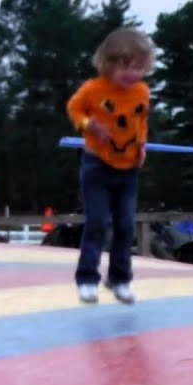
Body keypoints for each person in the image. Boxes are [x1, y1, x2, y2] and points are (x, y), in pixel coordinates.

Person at [66, 27, 154, 305]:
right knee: (97, 223)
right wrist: (88, 124)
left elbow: (141, 121)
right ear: (109, 64)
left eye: (139, 67)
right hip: (97, 166)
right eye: (126, 67)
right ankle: (87, 279)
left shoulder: (141, 91)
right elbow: (73, 108)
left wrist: (142, 145)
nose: (133, 74)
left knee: (126, 224)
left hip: (128, 170)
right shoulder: (94, 89)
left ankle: (119, 279)